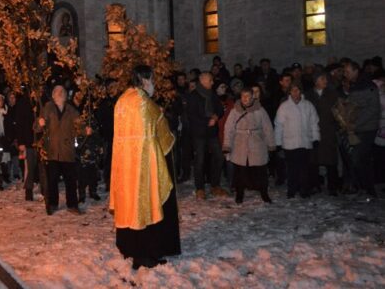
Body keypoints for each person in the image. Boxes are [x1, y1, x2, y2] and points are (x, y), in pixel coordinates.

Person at [110, 65, 180, 270]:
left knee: (129, 205)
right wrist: (171, 135)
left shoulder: (121, 101)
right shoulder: (145, 103)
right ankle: (146, 254)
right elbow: (163, 136)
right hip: (143, 167)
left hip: (125, 166)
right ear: (145, 80)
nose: (154, 85)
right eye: (153, 80)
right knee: (146, 206)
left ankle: (129, 247)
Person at [223, 88, 275, 204]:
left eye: (248, 96)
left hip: (257, 142)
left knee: (260, 170)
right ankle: (239, 193)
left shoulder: (260, 110)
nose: (245, 99)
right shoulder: (235, 111)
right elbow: (229, 128)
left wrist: (271, 144)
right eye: (243, 96)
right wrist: (227, 144)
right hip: (240, 143)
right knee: (240, 170)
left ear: (252, 97)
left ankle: (264, 192)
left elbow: (267, 127)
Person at [36, 85, 82, 215]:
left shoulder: (72, 110)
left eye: (63, 91)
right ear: (53, 95)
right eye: (57, 91)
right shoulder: (47, 108)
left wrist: (85, 130)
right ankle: (52, 203)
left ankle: (72, 205)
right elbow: (36, 127)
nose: (61, 93)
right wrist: (39, 124)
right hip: (52, 150)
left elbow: (80, 125)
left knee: (70, 180)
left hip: (67, 151)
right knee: (52, 180)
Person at [187, 72, 229, 200]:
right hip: (199, 133)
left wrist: (216, 117)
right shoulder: (193, 96)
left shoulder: (213, 94)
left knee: (219, 157)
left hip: (211, 132)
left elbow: (220, 109)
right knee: (199, 160)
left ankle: (215, 185)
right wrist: (207, 121)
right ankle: (199, 188)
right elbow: (191, 116)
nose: (212, 82)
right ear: (203, 80)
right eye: (210, 80)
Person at [274, 83, 320, 198]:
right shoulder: (284, 106)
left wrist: (315, 138)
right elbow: (279, 125)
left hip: (305, 142)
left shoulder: (308, 105)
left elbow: (314, 123)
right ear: (289, 92)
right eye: (293, 90)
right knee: (292, 168)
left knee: (304, 168)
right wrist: (278, 143)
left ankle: (304, 189)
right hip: (290, 144)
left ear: (301, 92)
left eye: (297, 90)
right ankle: (292, 190)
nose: (295, 93)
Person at [343, 61, 380, 197]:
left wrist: (355, 123)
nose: (345, 75)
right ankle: (367, 189)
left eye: (347, 72)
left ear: (356, 70)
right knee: (361, 159)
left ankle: (366, 187)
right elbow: (353, 106)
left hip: (367, 128)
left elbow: (372, 109)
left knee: (357, 157)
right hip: (357, 128)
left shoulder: (369, 86)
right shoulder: (354, 86)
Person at [305, 72, 341, 195]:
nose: (326, 80)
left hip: (328, 131)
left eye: (325, 78)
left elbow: (339, 111)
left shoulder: (332, 94)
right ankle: (314, 185)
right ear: (316, 81)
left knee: (331, 160)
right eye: (322, 78)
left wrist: (337, 125)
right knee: (312, 160)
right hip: (313, 132)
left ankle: (333, 187)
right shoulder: (308, 95)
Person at [76, 124, 103, 203]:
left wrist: (99, 155)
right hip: (82, 161)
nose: (89, 129)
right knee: (82, 180)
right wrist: (86, 136)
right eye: (87, 128)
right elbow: (78, 147)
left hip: (93, 160)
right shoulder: (78, 137)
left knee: (93, 178)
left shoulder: (96, 137)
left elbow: (100, 146)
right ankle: (82, 195)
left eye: (90, 128)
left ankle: (93, 192)